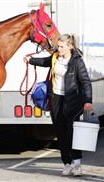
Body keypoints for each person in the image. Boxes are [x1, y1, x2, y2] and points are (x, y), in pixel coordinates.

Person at [24, 34, 92, 176]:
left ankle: (77, 163)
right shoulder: (55, 58)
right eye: (58, 46)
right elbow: (44, 61)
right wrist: (30, 60)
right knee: (61, 133)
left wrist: (87, 101)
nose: (58, 49)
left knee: (72, 133)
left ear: (69, 46)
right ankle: (66, 163)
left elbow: (85, 81)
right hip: (56, 99)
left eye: (61, 47)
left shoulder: (77, 61)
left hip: (73, 101)